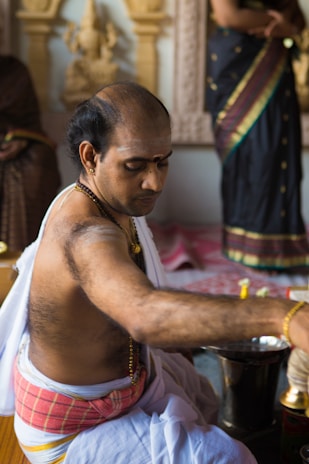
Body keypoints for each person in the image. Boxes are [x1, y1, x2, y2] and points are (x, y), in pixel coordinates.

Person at [0, 82, 308, 464]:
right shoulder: (83, 235)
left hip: (124, 388)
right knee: (229, 457)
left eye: (163, 161)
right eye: (136, 165)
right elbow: (144, 315)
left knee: (199, 391)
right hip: (72, 432)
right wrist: (281, 316)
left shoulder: (110, 203)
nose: (155, 182)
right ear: (90, 156)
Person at [206, 0, 309, 271]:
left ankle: (279, 248)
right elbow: (228, 15)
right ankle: (246, 248)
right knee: (253, 153)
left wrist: (286, 26)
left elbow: (296, 18)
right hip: (238, 65)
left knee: (278, 149)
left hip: (276, 62)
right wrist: (276, 23)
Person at [0, 55, 61, 252]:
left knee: (40, 160)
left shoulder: (14, 69)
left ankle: (26, 255)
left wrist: (22, 138)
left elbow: (28, 120)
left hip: (14, 141)